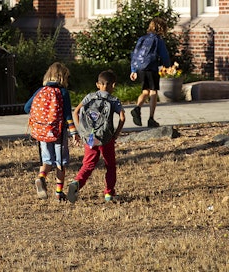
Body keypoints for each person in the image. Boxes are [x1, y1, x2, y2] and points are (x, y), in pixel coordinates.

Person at [66, 70, 125, 204]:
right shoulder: (114, 100)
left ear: (98, 84)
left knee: (88, 165)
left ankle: (76, 183)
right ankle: (109, 193)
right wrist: (116, 134)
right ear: (113, 85)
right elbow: (122, 117)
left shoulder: (89, 97)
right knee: (110, 165)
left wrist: (82, 132)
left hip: (90, 137)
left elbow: (75, 112)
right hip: (106, 138)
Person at [24, 62, 80, 201]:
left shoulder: (40, 91)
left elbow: (26, 108)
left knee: (47, 160)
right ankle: (58, 193)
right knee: (60, 163)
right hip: (58, 133)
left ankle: (41, 178)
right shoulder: (63, 92)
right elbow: (67, 115)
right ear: (63, 77)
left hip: (42, 133)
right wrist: (74, 133)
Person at [129, 17, 173, 128]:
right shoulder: (158, 40)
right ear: (161, 29)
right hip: (151, 68)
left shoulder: (142, 39)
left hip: (140, 68)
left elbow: (135, 54)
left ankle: (137, 108)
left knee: (145, 91)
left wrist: (133, 70)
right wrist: (167, 66)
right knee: (153, 92)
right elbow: (164, 55)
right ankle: (151, 118)